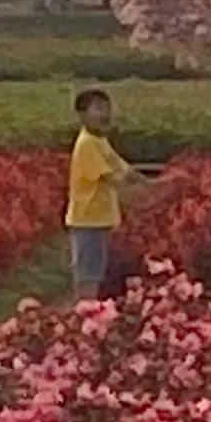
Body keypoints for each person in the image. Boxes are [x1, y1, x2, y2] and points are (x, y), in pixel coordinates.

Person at [67, 88, 137, 301]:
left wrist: (153, 184)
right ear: (82, 114)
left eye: (108, 108)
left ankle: (88, 313)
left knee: (94, 273)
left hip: (100, 219)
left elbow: (124, 169)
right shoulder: (87, 143)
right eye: (98, 108)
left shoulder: (99, 141)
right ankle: (85, 315)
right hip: (88, 219)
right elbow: (110, 177)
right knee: (88, 276)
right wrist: (143, 198)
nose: (106, 114)